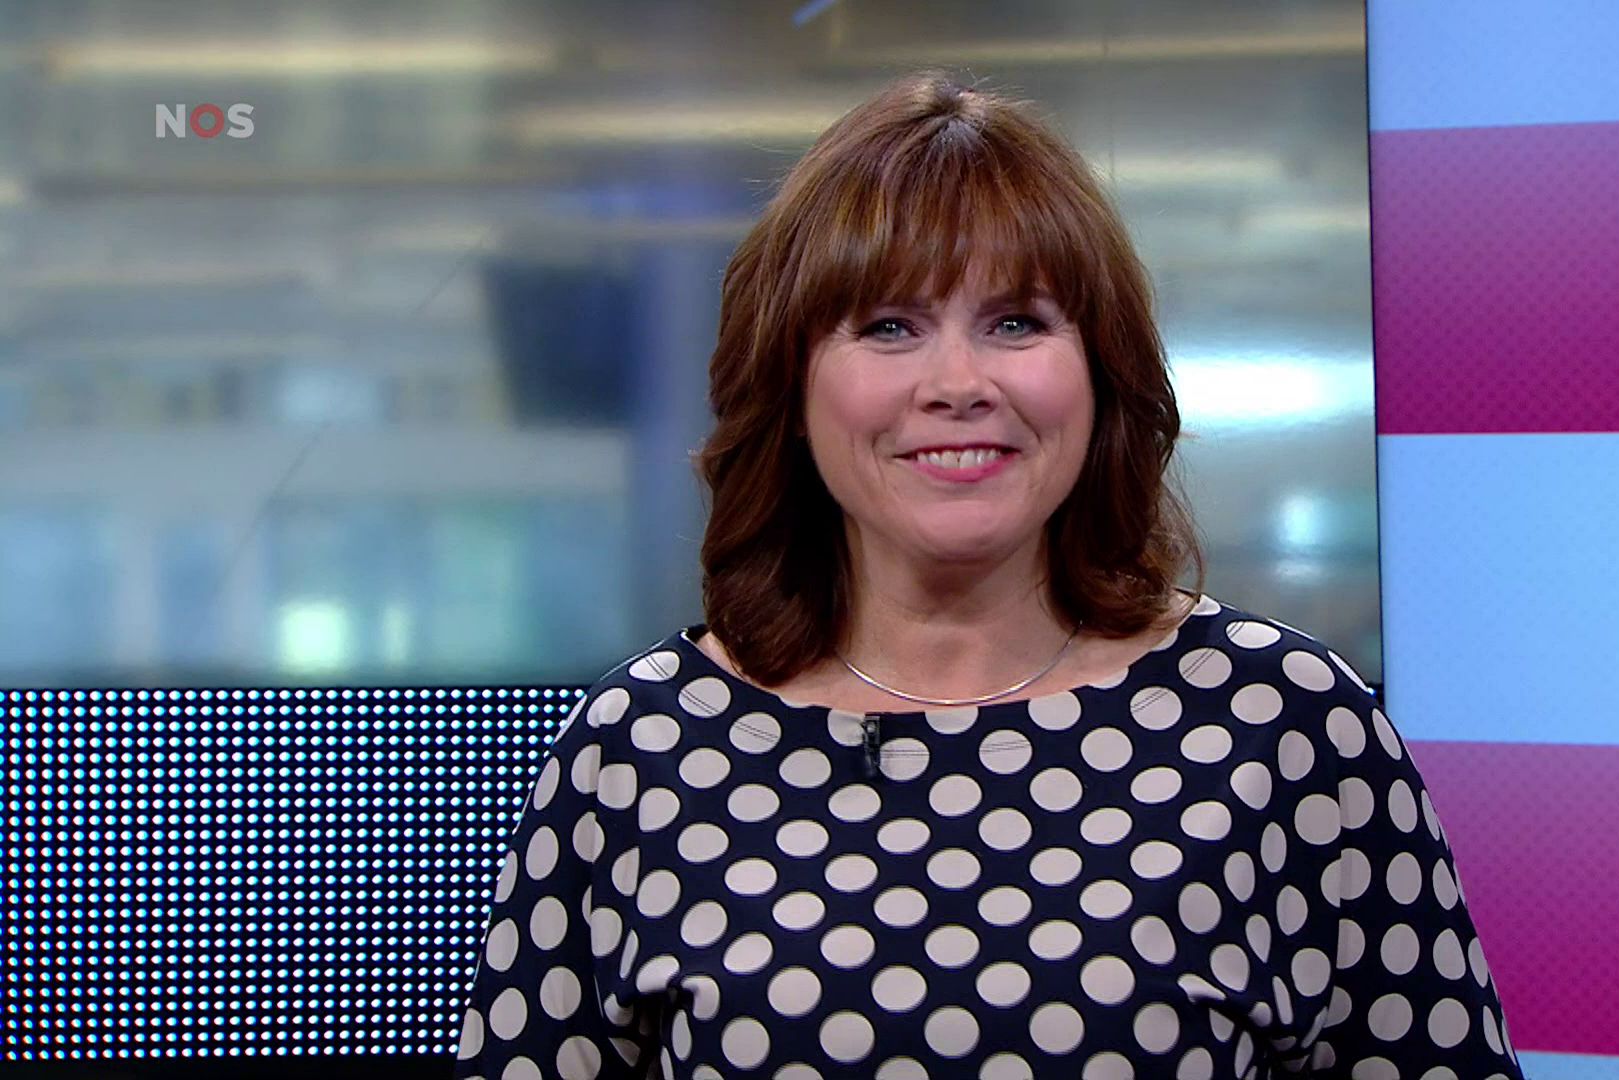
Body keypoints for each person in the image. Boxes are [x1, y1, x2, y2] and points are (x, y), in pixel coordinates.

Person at [456, 71, 1525, 1080]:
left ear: (1101, 373)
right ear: (792, 386)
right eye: (889, 326)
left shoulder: (1285, 728)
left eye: (1017, 322)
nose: (959, 383)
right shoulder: (642, 747)